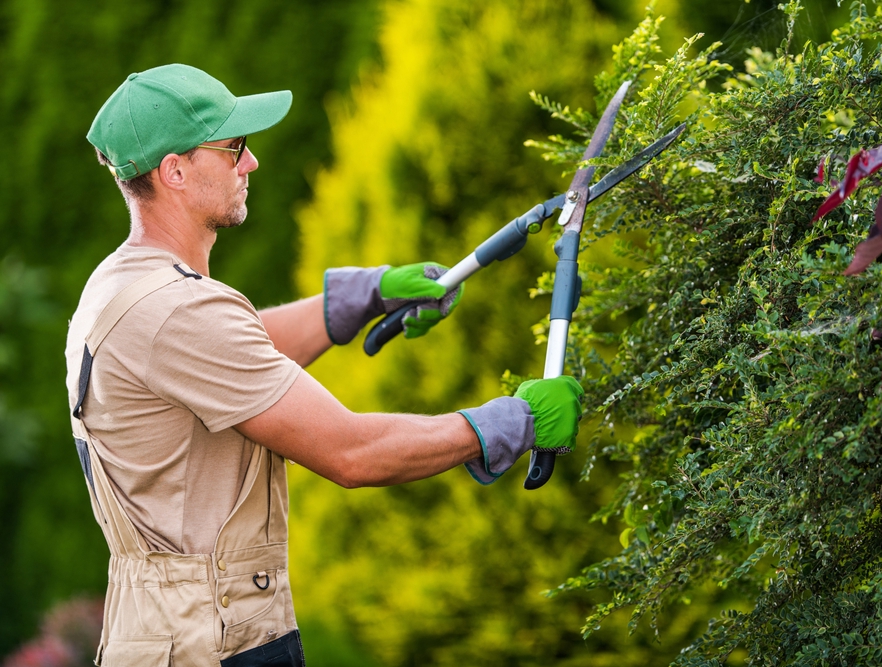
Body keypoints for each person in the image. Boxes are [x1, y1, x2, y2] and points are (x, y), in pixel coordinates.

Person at [65, 64, 583, 667]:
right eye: (233, 148)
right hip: (214, 645)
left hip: (166, 633)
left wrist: (365, 294)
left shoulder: (124, 287)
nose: (250, 163)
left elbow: (236, 354)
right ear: (174, 171)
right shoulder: (179, 310)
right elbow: (351, 452)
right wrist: (510, 423)